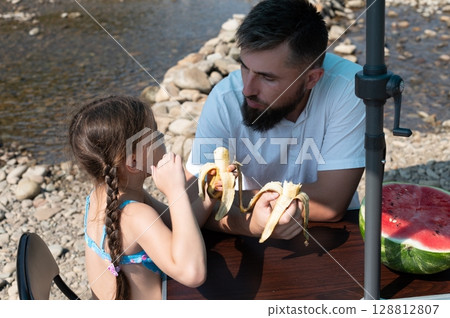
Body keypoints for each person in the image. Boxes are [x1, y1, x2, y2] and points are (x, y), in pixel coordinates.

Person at [185, 0, 365, 240]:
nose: (247, 89)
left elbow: (332, 204)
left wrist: (229, 199)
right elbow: (189, 201)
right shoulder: (224, 98)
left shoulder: (349, 89)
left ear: (312, 78)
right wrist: (251, 224)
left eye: (267, 78)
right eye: (245, 67)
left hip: (329, 238)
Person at [69, 96, 212, 300]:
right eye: (155, 135)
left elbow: (176, 226)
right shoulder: (136, 215)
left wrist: (209, 197)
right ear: (133, 161)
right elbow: (193, 273)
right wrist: (175, 191)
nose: (162, 137)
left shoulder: (101, 196)